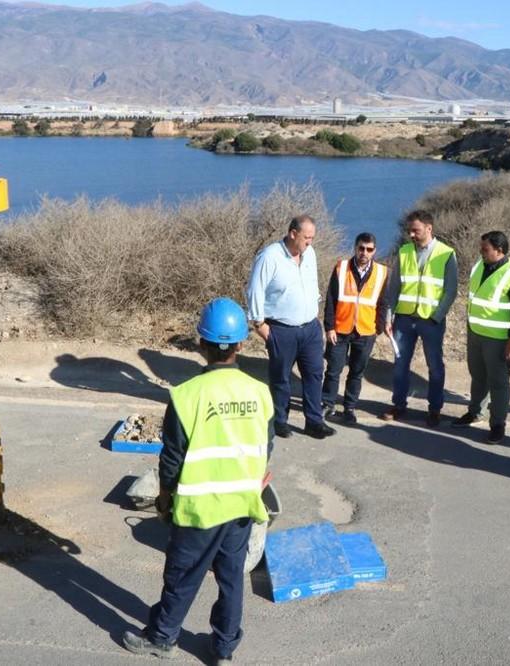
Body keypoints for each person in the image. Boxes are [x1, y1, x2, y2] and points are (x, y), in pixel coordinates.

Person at [122, 298, 274, 664]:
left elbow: (171, 460)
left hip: (199, 509)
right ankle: (224, 649)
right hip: (242, 505)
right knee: (231, 579)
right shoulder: (259, 392)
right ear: (240, 344)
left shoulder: (186, 396)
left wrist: (163, 500)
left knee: (182, 575)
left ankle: (162, 638)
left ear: (201, 344)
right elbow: (265, 446)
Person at [246, 215, 335, 440]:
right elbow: (255, 290)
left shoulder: (310, 254)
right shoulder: (270, 257)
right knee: (281, 377)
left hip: (310, 328)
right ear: (293, 233)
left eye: (312, 238)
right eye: (306, 237)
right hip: (281, 329)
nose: (310, 242)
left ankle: (314, 421)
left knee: (314, 374)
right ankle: (280, 421)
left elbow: (312, 282)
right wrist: (260, 325)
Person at [380, 210, 457, 427]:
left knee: (435, 366)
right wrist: (389, 317)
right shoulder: (404, 251)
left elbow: (451, 290)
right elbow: (394, 288)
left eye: (416, 230)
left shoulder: (446, 253)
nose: (411, 235)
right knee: (400, 364)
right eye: (409, 231)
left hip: (431, 321)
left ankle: (434, 409)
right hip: (404, 320)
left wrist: (437, 316)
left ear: (429, 228)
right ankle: (399, 405)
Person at [451, 231, 510, 444]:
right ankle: (475, 412)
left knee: (498, 382)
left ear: (499, 250)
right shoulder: (480, 266)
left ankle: (497, 425)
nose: (481, 252)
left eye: (485, 249)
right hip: (475, 333)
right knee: (478, 376)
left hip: (498, 339)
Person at [321, 232, 389, 425]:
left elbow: (383, 302)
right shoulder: (341, 268)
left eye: (369, 249)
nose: (364, 253)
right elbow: (331, 299)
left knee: (356, 373)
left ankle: (349, 407)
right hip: (340, 329)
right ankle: (327, 404)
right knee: (333, 370)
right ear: (355, 248)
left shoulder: (382, 272)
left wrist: (378, 328)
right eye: (361, 248)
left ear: (374, 251)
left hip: (366, 331)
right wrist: (329, 327)